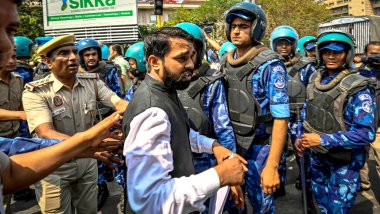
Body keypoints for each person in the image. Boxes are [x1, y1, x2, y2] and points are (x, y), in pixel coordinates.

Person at [122, 27, 247, 213]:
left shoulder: (167, 90)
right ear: (154, 62)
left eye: (191, 56)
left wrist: (213, 146)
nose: (190, 64)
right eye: (181, 58)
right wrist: (220, 176)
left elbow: (181, 133)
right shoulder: (152, 112)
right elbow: (151, 200)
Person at [22, 34, 128, 214]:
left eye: (74, 52)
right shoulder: (36, 92)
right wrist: (91, 146)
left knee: (89, 210)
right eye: (64, 53)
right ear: (48, 62)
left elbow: (120, 104)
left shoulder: (92, 82)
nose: (72, 57)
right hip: (54, 167)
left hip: (87, 164)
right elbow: (46, 132)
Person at [295, 30, 375, 213]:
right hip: (317, 158)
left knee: (337, 210)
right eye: (326, 52)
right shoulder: (315, 79)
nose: (331, 57)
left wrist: (322, 140)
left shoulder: (358, 87)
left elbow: (365, 133)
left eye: (337, 52)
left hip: (344, 163)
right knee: (322, 206)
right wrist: (301, 137)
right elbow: (307, 112)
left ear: (347, 54)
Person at [220, 2, 289, 213]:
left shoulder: (270, 65)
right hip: (232, 147)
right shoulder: (225, 61)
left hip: (259, 149)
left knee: (262, 207)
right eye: (233, 26)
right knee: (233, 205)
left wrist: (272, 166)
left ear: (257, 28)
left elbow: (281, 118)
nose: (237, 31)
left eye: (244, 26)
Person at [175, 22, 242, 210]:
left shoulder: (212, 82)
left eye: (192, 51)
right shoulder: (166, 80)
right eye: (180, 51)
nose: (187, 58)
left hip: (205, 162)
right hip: (175, 161)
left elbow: (223, 127)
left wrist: (230, 165)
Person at [269, 26, 316, 198]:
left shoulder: (306, 66)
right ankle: (278, 184)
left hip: (299, 117)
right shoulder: (269, 65)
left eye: (287, 43)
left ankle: (306, 187)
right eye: (279, 43)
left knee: (302, 154)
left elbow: (314, 91)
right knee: (278, 153)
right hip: (276, 118)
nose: (283, 47)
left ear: (294, 45)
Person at [358, 41, 380, 191]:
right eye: (372, 53)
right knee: (360, 158)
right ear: (365, 54)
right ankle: (363, 185)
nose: (377, 56)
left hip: (379, 127)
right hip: (362, 124)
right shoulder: (358, 72)